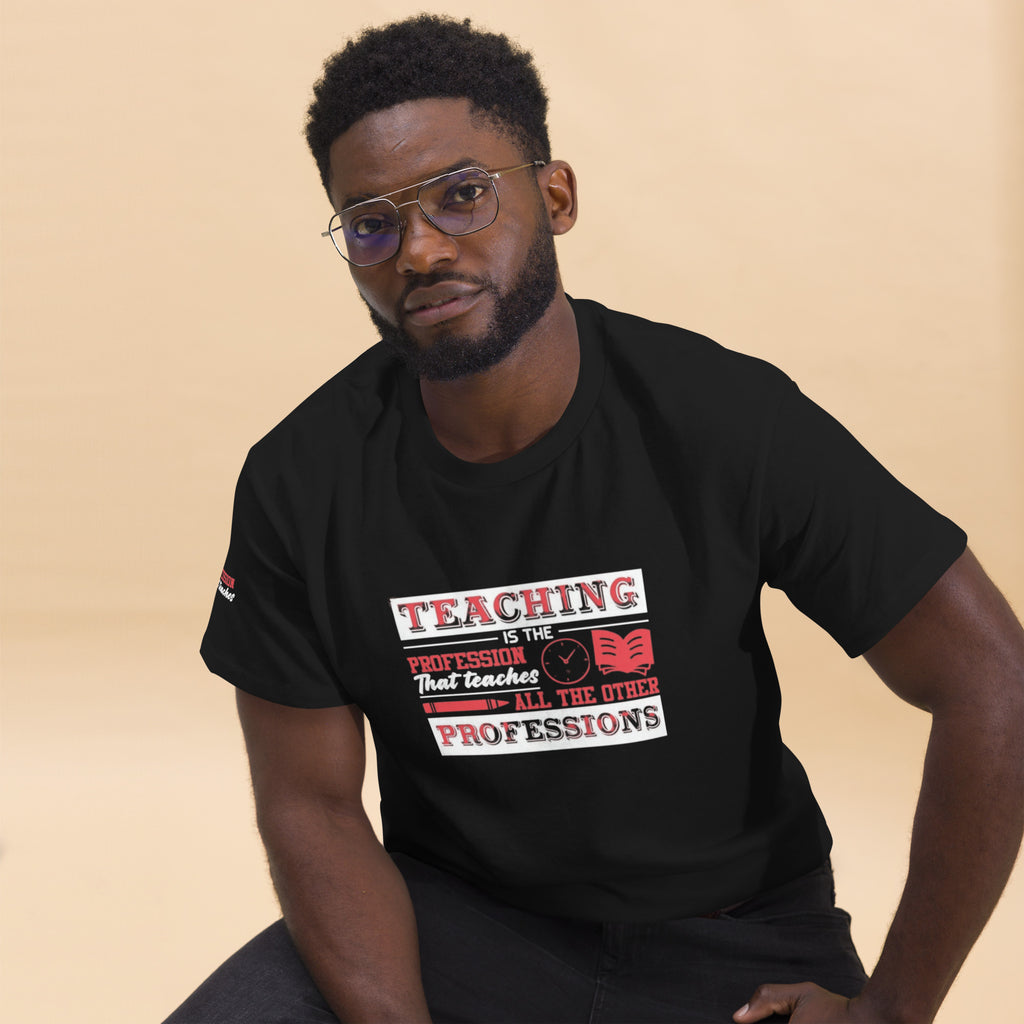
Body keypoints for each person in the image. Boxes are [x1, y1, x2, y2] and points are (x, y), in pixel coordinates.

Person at [164, 14, 1024, 1024]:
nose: (420, 250)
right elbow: (310, 802)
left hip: (731, 943)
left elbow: (992, 679)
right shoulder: (300, 480)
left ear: (556, 196)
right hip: (454, 931)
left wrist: (892, 1010)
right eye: (371, 224)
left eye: (462, 194)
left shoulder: (721, 418)